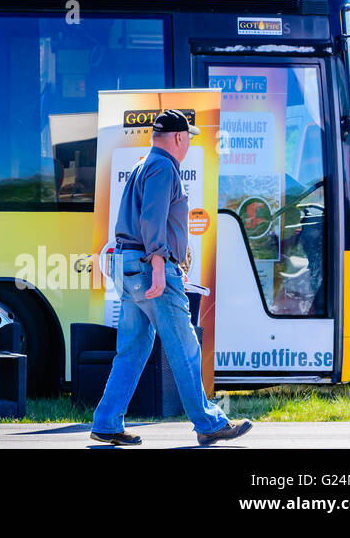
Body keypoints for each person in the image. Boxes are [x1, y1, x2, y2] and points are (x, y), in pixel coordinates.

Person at [90, 109, 253, 447]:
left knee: (132, 350)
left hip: (129, 265)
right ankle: (208, 423)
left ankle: (106, 423)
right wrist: (161, 265)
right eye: (188, 137)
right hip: (150, 268)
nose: (189, 142)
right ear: (179, 138)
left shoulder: (142, 164)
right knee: (185, 348)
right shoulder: (164, 166)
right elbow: (152, 218)